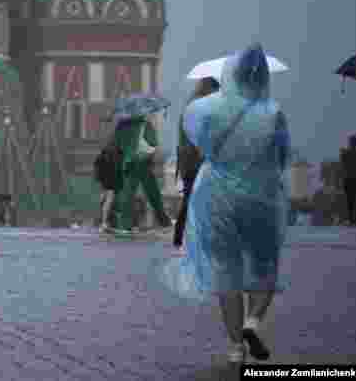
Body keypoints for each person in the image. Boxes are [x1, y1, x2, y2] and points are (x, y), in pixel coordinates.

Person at [161, 44, 290, 365]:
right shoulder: (273, 113)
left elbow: (195, 141)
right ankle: (253, 322)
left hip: (216, 195)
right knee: (264, 266)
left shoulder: (204, 108)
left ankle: (235, 346)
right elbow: (282, 157)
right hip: (260, 195)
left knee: (225, 272)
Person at [174, 77, 221, 250]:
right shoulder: (198, 108)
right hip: (194, 160)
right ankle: (182, 237)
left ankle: (182, 237)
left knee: (194, 198)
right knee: (194, 199)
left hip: (189, 160)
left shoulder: (193, 105)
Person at [112, 111, 172, 233]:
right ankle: (164, 221)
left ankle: (125, 225)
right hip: (143, 162)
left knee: (128, 193)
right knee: (152, 193)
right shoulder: (146, 125)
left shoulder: (122, 126)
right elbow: (153, 143)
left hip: (130, 163)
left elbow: (117, 144)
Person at [94, 133, 123, 233]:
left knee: (105, 198)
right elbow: (118, 166)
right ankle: (104, 223)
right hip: (110, 179)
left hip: (105, 179)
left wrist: (98, 177)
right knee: (109, 199)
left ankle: (103, 222)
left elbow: (98, 164)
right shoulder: (115, 151)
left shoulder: (105, 151)